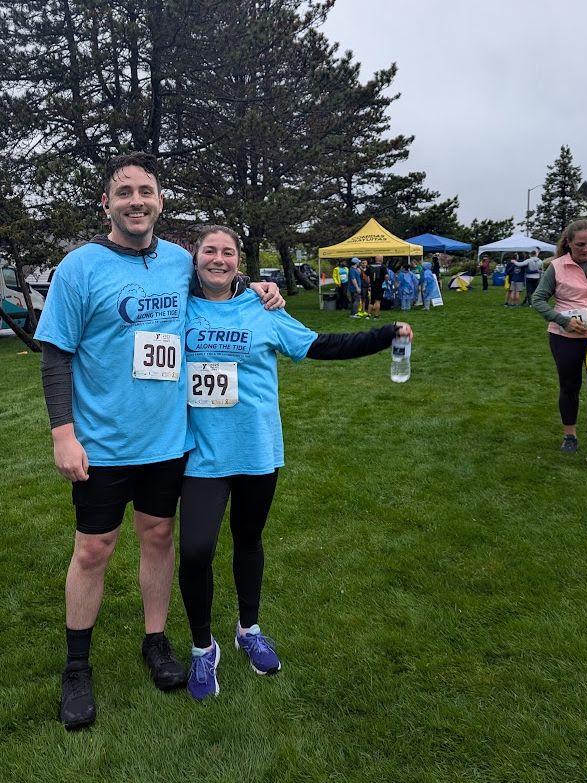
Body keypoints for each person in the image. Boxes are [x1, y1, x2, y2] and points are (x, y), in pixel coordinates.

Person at [35, 152, 283, 730]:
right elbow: (55, 357)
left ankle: (156, 641)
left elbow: (224, 281)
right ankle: (77, 667)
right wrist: (63, 435)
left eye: (146, 191)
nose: (136, 201)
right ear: (107, 204)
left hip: (169, 442)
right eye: (124, 192)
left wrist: (262, 287)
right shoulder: (79, 267)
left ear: (160, 202)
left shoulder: (178, 261)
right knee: (93, 550)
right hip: (101, 445)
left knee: (159, 537)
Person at [177, 225, 414, 700]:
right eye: (209, 251)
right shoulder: (179, 308)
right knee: (196, 550)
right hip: (200, 451)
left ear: (238, 261)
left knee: (248, 540)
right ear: (195, 258)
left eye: (227, 252)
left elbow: (321, 345)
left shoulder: (262, 309)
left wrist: (385, 332)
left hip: (256, 448)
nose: (218, 259)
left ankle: (249, 628)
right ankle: (204, 650)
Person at [531, 218, 587, 465]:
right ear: (569, 244)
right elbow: (538, 299)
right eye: (580, 245)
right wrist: (562, 320)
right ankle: (570, 435)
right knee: (570, 386)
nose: (586, 249)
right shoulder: (557, 267)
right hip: (565, 337)